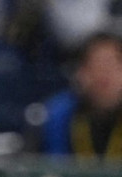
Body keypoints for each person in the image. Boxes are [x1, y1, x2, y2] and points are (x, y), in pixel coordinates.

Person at [36, 30, 122, 159]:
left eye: (112, 65)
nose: (104, 74)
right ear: (80, 73)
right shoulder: (57, 116)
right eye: (95, 65)